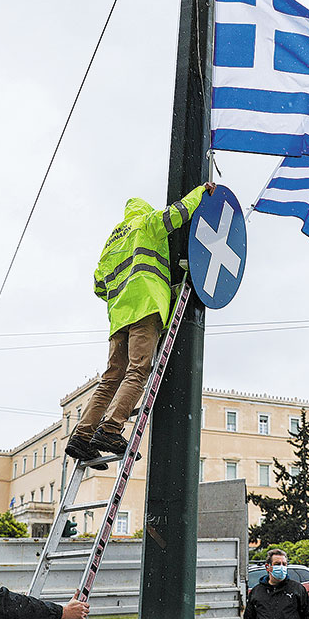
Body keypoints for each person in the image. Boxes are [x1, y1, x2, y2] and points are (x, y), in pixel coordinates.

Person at [66, 182, 215, 468]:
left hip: (118, 315)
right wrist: (201, 192)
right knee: (138, 370)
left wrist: (120, 292)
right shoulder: (146, 223)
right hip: (146, 305)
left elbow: (98, 285)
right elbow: (179, 213)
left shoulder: (110, 244)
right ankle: (110, 430)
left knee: (111, 378)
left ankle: (81, 437)